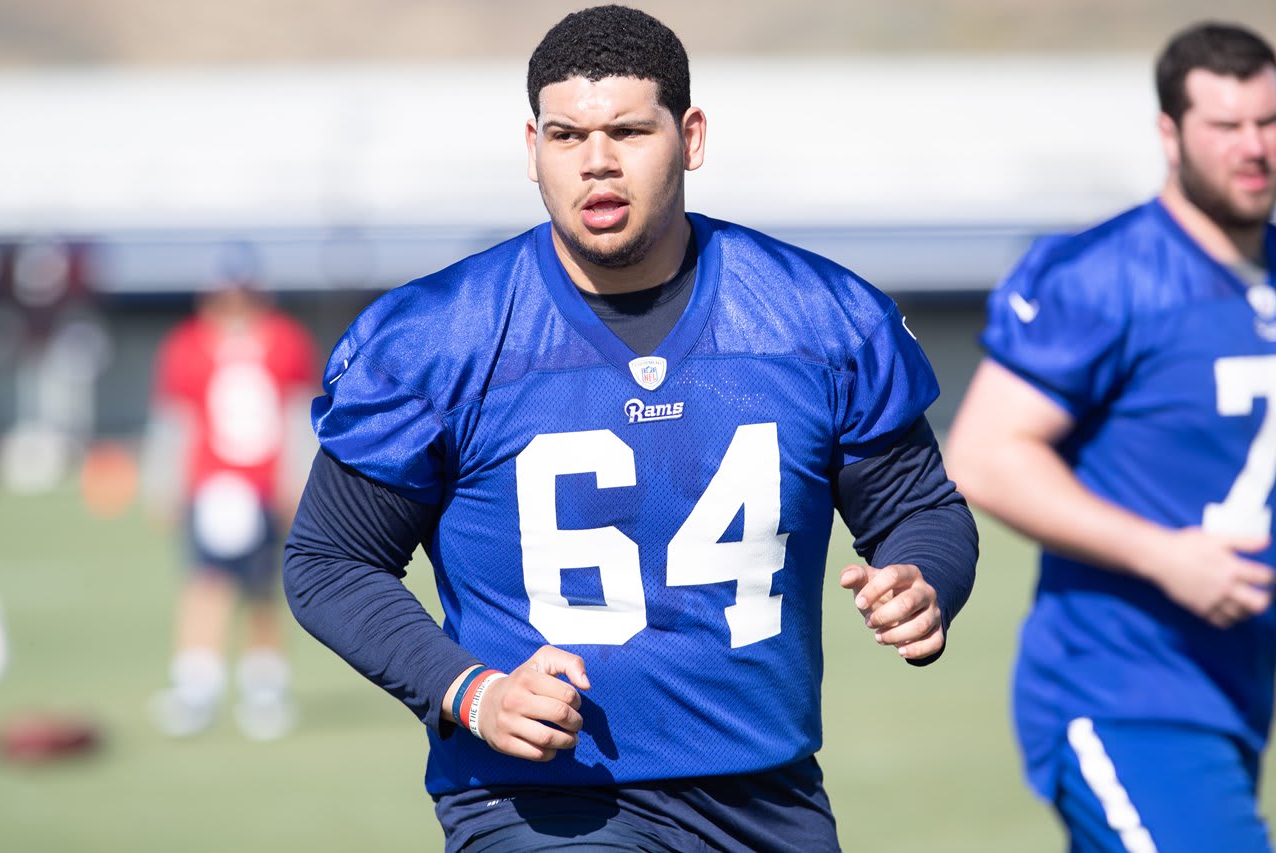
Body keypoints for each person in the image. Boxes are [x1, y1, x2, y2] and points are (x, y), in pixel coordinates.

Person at [284, 6, 977, 850]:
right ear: (531, 146)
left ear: (690, 136)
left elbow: (921, 509)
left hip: (768, 794)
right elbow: (330, 558)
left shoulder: (817, 318)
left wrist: (925, 576)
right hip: (540, 800)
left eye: (627, 131)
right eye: (567, 135)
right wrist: (474, 691)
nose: (597, 162)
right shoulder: (440, 336)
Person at [945, 21, 1276, 852]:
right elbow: (986, 455)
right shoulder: (1106, 274)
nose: (1255, 148)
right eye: (1226, 127)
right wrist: (1165, 554)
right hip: (1124, 690)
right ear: (1170, 133)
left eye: (1269, 123)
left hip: (1236, 689)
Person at [145, 246, 319, 740]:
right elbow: (175, 420)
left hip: (265, 485)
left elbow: (296, 414)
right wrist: (165, 483)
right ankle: (197, 682)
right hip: (211, 485)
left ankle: (264, 685)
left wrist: (298, 481)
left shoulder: (286, 340)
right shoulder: (187, 345)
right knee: (205, 582)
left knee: (263, 589)